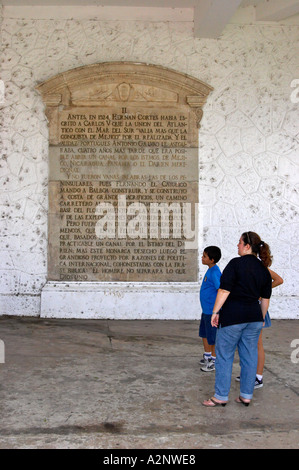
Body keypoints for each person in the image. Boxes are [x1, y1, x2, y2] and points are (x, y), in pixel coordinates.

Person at [203, 231, 272, 407]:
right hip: (254, 318)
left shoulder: (235, 264)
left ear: (247, 246)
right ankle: (246, 395)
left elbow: (224, 290)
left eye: (240, 243)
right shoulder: (263, 269)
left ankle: (220, 396)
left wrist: (215, 312)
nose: (237, 245)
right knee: (249, 356)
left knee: (225, 356)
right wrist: (261, 317)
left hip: (233, 317)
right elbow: (265, 299)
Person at [235, 268, 283, 388]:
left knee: (257, 343)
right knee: (246, 343)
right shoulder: (247, 266)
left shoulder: (261, 268)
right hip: (247, 308)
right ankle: (249, 373)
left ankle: (258, 376)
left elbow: (279, 280)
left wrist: (262, 293)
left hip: (257, 309)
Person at [198, 246, 222, 372]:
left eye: (204, 256)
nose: (202, 258)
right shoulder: (210, 270)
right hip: (206, 310)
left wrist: (216, 310)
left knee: (213, 336)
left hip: (212, 311)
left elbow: (220, 289)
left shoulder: (215, 272)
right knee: (205, 333)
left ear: (212, 260)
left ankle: (214, 360)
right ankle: (207, 355)